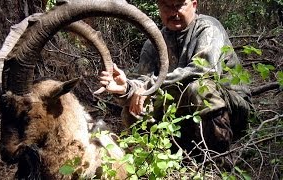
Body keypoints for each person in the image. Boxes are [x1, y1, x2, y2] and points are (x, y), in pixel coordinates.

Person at [99, 0, 253, 154]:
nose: (174, 13)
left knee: (200, 88)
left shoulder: (208, 28)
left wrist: (149, 86)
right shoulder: (153, 42)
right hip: (184, 116)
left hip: (232, 112)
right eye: (167, 6)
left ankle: (218, 158)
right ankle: (156, 156)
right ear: (159, 8)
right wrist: (125, 88)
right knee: (134, 107)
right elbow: (143, 81)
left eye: (179, 5)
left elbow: (203, 71)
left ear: (194, 4)